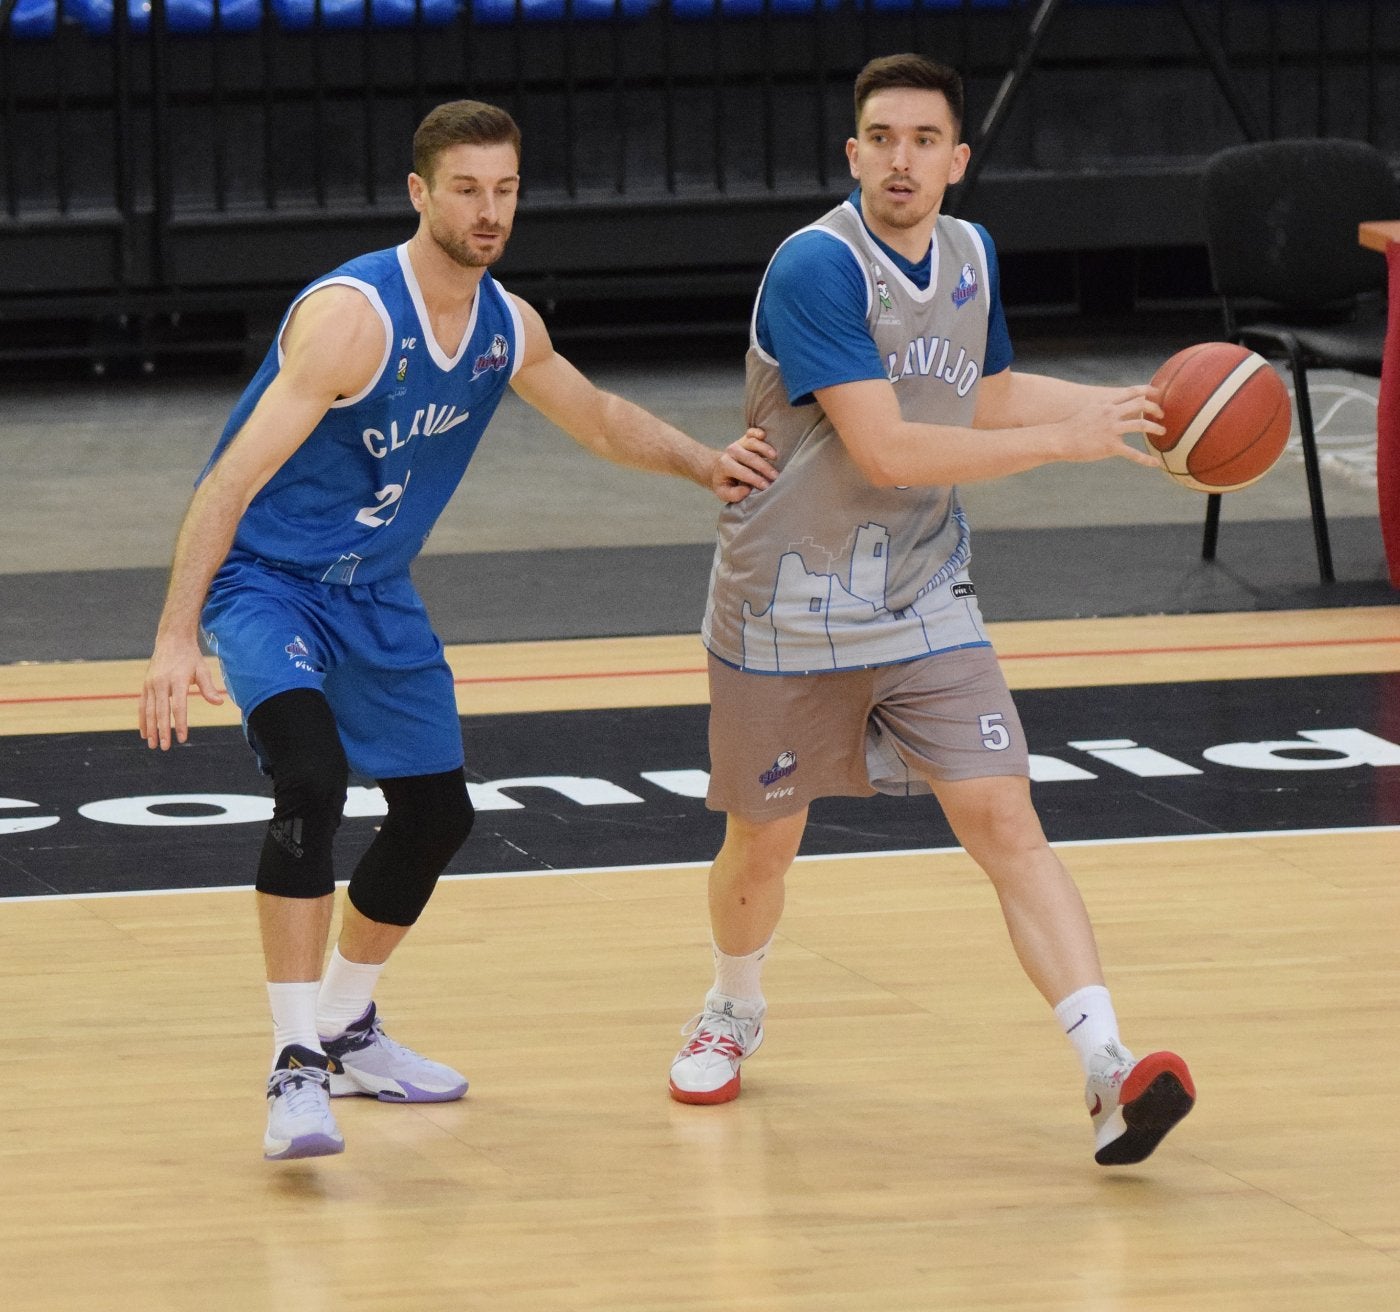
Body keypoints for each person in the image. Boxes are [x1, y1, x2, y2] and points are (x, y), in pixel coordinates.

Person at [138, 100, 778, 1162]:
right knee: (310, 780)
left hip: (375, 591)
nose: (489, 212)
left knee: (436, 815)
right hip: (267, 582)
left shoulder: (503, 328)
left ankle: (346, 1027)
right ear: (420, 193)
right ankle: (294, 1065)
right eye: (468, 190)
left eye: (506, 190)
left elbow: (599, 416)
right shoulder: (352, 319)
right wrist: (174, 634)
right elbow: (229, 480)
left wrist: (702, 462)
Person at [667, 53, 1196, 1167]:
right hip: (787, 607)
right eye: (879, 138)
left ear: (955, 161)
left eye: (921, 141)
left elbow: (982, 392)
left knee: (1004, 820)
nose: (899, 159)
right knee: (762, 847)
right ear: (851, 154)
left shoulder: (970, 253)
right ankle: (731, 1001)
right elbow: (891, 447)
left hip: (921, 595)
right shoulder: (817, 266)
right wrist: (1066, 444)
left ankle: (1107, 1069)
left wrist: (1129, 412)